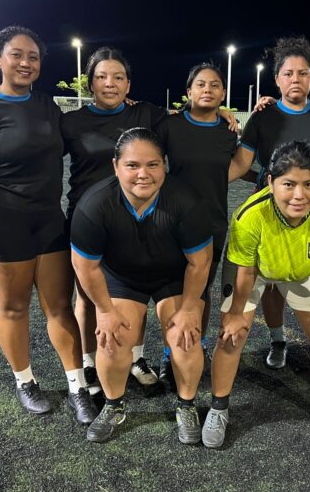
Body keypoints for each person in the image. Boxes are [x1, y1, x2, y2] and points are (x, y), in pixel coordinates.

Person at [62, 48, 237, 394]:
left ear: (129, 84)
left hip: (146, 213)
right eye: (101, 77)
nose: (110, 83)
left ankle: (138, 358)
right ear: (90, 82)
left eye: (118, 77)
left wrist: (219, 110)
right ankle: (89, 365)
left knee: (138, 287)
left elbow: (188, 116)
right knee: (89, 297)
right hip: (92, 216)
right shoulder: (70, 122)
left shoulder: (145, 114)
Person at [0, 25, 94, 425]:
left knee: (60, 307)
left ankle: (77, 387)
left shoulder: (47, 105)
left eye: (33, 56)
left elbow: (82, 133)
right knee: (14, 307)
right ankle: (26, 381)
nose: (26, 63)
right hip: (3, 221)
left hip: (48, 220)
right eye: (17, 54)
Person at [203, 140, 310, 449]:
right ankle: (218, 409)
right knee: (232, 336)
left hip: (303, 269)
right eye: (289, 184)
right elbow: (246, 271)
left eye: (309, 184)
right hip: (254, 268)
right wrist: (234, 314)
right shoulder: (250, 216)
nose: (299, 195)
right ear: (270, 182)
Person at [70, 128, 213, 444]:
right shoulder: (94, 205)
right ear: (115, 166)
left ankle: (186, 405)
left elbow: (200, 263)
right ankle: (113, 405)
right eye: (132, 165)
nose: (143, 174)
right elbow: (84, 266)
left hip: (174, 275)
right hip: (122, 276)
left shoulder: (186, 201)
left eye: (153, 164)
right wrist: (104, 310)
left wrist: (190, 308)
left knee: (185, 336)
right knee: (113, 337)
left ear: (165, 165)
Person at [229, 36, 310, 371]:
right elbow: (240, 164)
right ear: (277, 79)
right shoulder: (263, 116)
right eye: (289, 73)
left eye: (303, 73)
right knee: (270, 282)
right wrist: (203, 180)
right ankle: (277, 339)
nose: (296, 79)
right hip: (269, 212)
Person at [156, 63, 238, 385]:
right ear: (189, 91)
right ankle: (169, 352)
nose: (208, 89)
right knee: (173, 291)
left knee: (201, 291)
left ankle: (197, 344)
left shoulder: (228, 131)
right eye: (201, 84)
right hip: (171, 220)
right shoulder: (169, 126)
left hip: (212, 222)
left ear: (223, 93)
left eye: (215, 85)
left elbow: (236, 166)